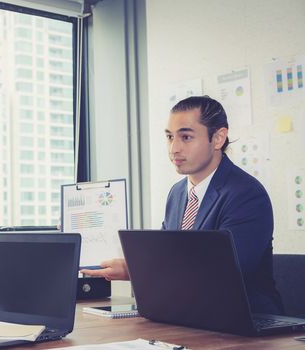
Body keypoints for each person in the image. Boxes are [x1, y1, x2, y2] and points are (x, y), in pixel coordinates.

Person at [81, 96, 283, 315]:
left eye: (186, 137)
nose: (174, 148)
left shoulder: (246, 194)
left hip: (245, 322)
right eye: (169, 137)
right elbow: (166, 255)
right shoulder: (177, 193)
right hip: (190, 315)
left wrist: (136, 269)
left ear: (217, 138)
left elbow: (222, 274)